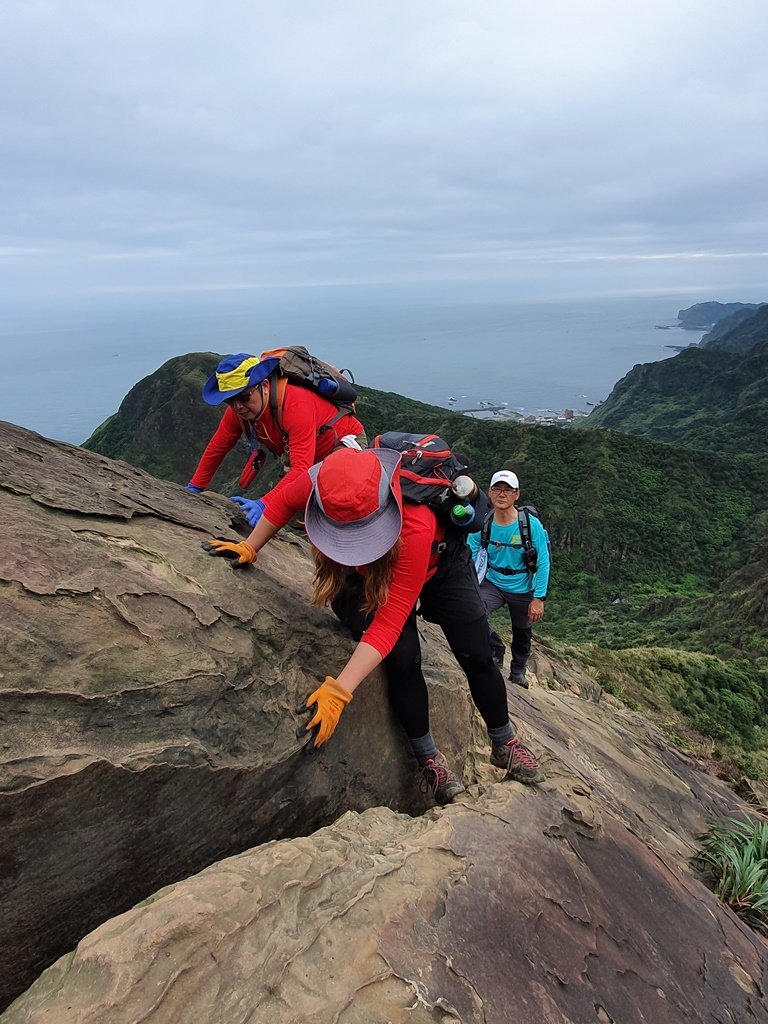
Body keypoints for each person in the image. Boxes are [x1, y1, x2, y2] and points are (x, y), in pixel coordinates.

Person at [203, 447, 542, 803]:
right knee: (402, 657)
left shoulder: (416, 523)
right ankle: (428, 757)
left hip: (438, 563)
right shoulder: (325, 481)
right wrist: (250, 546)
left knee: (476, 652)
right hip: (362, 578)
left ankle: (505, 742)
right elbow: (286, 502)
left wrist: (339, 691)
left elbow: (389, 622)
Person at [186, 352, 366, 526]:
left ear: (264, 386)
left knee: (341, 504)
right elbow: (218, 447)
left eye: (244, 397)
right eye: (230, 400)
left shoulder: (295, 405)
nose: (238, 406)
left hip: (343, 442)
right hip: (309, 452)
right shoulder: (238, 412)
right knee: (297, 516)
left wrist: (264, 503)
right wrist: (195, 487)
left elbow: (301, 469)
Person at [466, 470, 550, 688]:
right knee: (472, 613)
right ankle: (495, 647)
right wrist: (470, 586)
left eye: (507, 490)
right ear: (490, 492)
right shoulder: (483, 523)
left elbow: (543, 562)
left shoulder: (530, 526)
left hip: (522, 586)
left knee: (522, 631)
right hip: (493, 582)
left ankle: (518, 670)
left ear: (516, 494)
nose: (501, 494)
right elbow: (472, 554)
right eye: (496, 489)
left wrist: (538, 598)